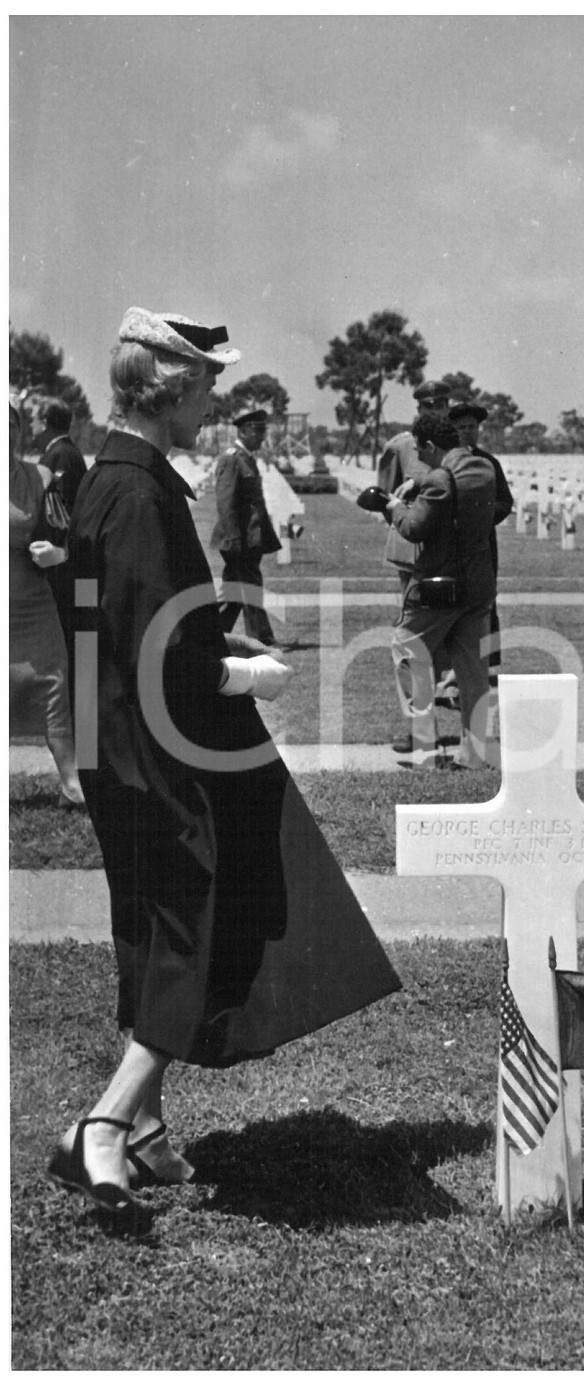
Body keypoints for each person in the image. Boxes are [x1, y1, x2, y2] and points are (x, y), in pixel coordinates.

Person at [49, 309, 400, 1233]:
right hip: (157, 744)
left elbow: (117, 618)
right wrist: (244, 674)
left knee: (153, 917)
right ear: (168, 388)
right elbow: (153, 646)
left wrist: (216, 638)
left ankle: (147, 1130)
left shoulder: (109, 481)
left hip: (119, 737)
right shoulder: (137, 494)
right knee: (194, 916)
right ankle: (104, 1124)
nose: (212, 402)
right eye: (206, 385)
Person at [385, 415, 499, 770]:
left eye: (420, 451)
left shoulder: (438, 481)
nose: (419, 457)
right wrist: (419, 481)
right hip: (478, 585)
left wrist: (395, 508)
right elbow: (449, 479)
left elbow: (413, 528)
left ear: (431, 446)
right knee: (472, 670)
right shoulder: (484, 469)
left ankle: (426, 750)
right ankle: (475, 755)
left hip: (440, 586)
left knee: (406, 648)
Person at [9, 402, 85, 805]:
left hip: (35, 604)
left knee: (54, 681)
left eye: (10, 424)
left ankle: (71, 783)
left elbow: (67, 532)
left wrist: (57, 553)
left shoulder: (39, 476)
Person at [375, 380, 459, 739]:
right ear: (419, 408)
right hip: (412, 552)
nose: (435, 410)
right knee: (415, 637)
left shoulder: (456, 445)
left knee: (441, 637)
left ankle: (434, 713)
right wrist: (407, 519)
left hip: (447, 554)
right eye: (428, 405)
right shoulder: (400, 446)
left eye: (441, 404)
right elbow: (384, 496)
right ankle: (420, 731)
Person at [449, 401, 514, 691]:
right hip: (452, 543)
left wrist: (483, 517)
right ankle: (451, 667)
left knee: (485, 600)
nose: (467, 431)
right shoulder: (447, 462)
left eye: (472, 427)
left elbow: (505, 501)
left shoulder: (489, 462)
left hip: (483, 543)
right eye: (462, 427)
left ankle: (483, 663)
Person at [211, 407, 282, 646]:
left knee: (233, 593)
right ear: (242, 432)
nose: (262, 436)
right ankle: (263, 640)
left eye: (263, 431)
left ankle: (212, 637)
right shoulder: (232, 459)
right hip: (239, 540)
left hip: (250, 539)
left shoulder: (246, 458)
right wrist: (233, 539)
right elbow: (225, 503)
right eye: (257, 431)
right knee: (250, 587)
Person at [34, 396, 88, 675]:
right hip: (68, 566)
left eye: (34, 419)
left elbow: (61, 517)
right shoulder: (65, 452)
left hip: (64, 569)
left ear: (45, 422)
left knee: (70, 636)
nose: (31, 425)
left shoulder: (61, 456)